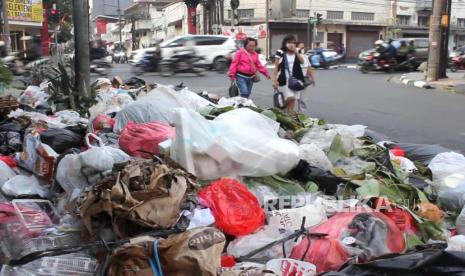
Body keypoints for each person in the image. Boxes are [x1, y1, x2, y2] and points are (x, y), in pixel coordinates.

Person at [273, 35, 305, 112]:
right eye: (289, 42)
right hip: (285, 79)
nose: (291, 44)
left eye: (293, 42)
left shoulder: (297, 51)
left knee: (293, 101)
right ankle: (282, 107)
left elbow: (302, 61)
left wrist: (296, 52)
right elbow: (276, 66)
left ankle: (290, 117)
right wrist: (275, 80)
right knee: (291, 98)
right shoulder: (280, 52)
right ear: (285, 43)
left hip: (296, 79)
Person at [296, 42, 316, 111]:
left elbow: (309, 68)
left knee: (302, 99)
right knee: (292, 98)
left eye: (303, 47)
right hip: (294, 80)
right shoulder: (292, 57)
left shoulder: (305, 57)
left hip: (304, 80)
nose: (302, 49)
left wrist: (312, 79)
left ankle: (301, 114)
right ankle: (290, 113)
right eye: (301, 47)